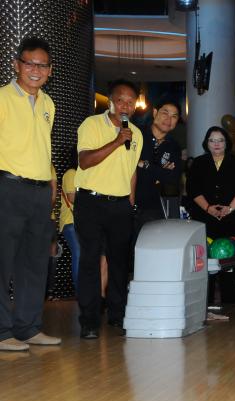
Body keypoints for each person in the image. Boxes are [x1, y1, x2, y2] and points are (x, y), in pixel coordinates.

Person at [0, 37, 61, 351]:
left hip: (39, 192)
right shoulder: (2, 98)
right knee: (2, 262)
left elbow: (43, 150)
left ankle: (28, 327)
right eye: (29, 63)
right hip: (7, 187)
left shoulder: (48, 104)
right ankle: (2, 332)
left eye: (42, 65)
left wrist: (51, 186)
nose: (35, 70)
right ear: (17, 65)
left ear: (50, 70)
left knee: (35, 263)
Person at [74, 79, 143, 339]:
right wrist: (116, 141)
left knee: (119, 263)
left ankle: (117, 315)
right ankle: (89, 321)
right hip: (91, 202)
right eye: (120, 100)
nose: (125, 105)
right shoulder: (91, 124)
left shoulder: (136, 134)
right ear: (110, 101)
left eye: (130, 101)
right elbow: (84, 161)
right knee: (91, 260)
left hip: (121, 205)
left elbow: (132, 172)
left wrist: (130, 202)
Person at [188, 126, 235, 306]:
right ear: (206, 143)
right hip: (205, 219)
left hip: (232, 219)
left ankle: (231, 306)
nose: (216, 144)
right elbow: (192, 189)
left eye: (220, 140)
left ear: (226, 143)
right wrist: (208, 208)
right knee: (205, 262)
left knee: (228, 262)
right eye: (212, 140)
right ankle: (204, 306)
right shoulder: (198, 163)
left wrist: (229, 209)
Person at [134, 99, 182, 238]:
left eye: (174, 116)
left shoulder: (174, 146)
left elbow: (172, 179)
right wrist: (161, 172)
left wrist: (144, 164)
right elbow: (128, 166)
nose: (169, 119)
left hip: (152, 207)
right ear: (155, 113)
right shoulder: (137, 134)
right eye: (165, 113)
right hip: (126, 202)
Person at [59, 156, 80, 292]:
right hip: (70, 221)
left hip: (77, 222)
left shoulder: (78, 174)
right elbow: (72, 198)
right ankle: (80, 291)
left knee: (80, 254)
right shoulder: (71, 173)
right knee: (79, 253)